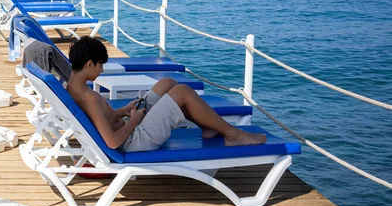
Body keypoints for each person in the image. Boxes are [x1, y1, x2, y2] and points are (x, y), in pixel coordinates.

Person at [67, 36, 266, 152]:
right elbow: (111, 142)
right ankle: (233, 134)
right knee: (182, 92)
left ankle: (208, 126)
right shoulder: (90, 97)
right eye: (100, 65)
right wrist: (135, 120)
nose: (101, 70)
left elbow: (100, 118)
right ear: (89, 63)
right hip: (135, 139)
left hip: (130, 126)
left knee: (167, 83)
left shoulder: (74, 86)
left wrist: (123, 112)